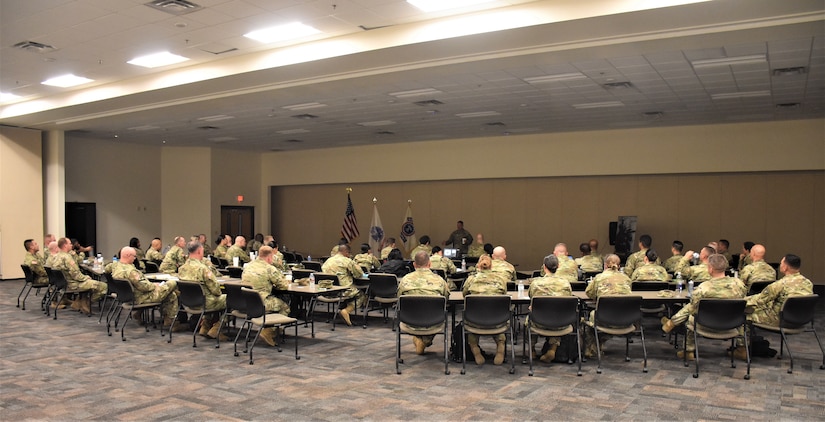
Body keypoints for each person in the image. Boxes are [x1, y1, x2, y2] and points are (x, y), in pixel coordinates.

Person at [661, 254, 748, 360]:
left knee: (691, 316)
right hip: (732, 324)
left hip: (706, 324)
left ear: (710, 269)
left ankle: (688, 351)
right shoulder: (738, 284)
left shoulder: (703, 288)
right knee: (740, 314)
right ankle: (741, 348)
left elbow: (692, 309)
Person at [112, 246, 181, 331]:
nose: (135, 258)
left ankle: (166, 318)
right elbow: (144, 287)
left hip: (128, 296)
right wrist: (154, 285)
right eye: (134, 256)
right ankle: (171, 320)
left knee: (171, 294)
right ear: (127, 255)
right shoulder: (131, 272)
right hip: (142, 297)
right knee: (172, 283)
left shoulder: (116, 267)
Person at [397, 251, 450, 354]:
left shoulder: (405, 280)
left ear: (414, 264)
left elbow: (399, 299)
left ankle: (421, 340)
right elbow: (445, 299)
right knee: (438, 316)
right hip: (433, 321)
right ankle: (425, 341)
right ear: (430, 264)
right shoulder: (440, 281)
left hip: (410, 321)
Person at [462, 254, 509, 365]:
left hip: (475, 321)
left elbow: (465, 295)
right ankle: (501, 346)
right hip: (497, 321)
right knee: (498, 325)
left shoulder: (471, 280)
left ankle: (476, 351)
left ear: (478, 265)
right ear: (491, 266)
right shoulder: (500, 280)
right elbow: (504, 295)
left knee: (469, 327)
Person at [583, 254, 632, 358]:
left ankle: (590, 349)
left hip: (604, 319)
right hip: (625, 319)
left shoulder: (599, 278)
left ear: (605, 265)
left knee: (591, 317)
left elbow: (589, 293)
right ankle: (598, 345)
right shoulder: (627, 279)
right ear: (619, 266)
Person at [527, 254, 573, 362]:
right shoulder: (565, 284)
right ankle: (552, 349)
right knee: (557, 313)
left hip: (539, 321)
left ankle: (532, 350)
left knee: (530, 317)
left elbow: (531, 296)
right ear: (558, 266)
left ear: (544, 267)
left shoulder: (536, 283)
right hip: (560, 322)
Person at [241, 245, 291, 346]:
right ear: (269, 257)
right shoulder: (269, 268)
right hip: (262, 303)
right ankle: (269, 332)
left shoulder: (248, 266)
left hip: (247, 302)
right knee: (285, 306)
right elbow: (284, 286)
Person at [177, 241, 227, 340]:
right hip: (205, 303)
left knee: (214, 299)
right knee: (230, 299)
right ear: (200, 251)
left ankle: (205, 327)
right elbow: (216, 289)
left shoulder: (182, 268)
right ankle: (216, 329)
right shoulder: (203, 269)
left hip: (188, 302)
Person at [746, 254, 813, 327]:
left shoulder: (779, 285)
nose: (780, 265)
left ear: (785, 267)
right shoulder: (808, 283)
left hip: (781, 320)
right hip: (802, 320)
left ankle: (743, 338)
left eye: (781, 263)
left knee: (744, 316)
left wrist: (741, 301)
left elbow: (760, 300)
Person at [51, 237, 107, 314]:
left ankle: (79, 301)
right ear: (64, 246)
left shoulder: (56, 256)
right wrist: (86, 278)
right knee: (103, 286)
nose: (71, 245)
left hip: (64, 283)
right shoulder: (67, 258)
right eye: (70, 243)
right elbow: (76, 274)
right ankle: (84, 303)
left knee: (90, 282)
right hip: (73, 284)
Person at [321, 244, 366, 326]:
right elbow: (359, 274)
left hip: (329, 291)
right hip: (343, 291)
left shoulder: (328, 261)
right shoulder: (347, 261)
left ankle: (342, 309)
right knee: (361, 294)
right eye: (349, 253)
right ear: (346, 252)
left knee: (351, 293)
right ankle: (346, 311)